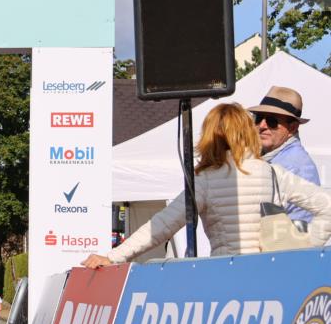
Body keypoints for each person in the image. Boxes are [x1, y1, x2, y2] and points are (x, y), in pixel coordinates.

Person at [82, 102, 331, 268]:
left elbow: (161, 226)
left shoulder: (205, 181)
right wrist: (306, 247)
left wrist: (113, 257)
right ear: (247, 132)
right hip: (270, 272)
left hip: (226, 275)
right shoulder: (273, 173)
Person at [249, 86, 320, 223]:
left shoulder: (294, 165)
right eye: (258, 118)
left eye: (272, 121)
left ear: (292, 128)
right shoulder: (274, 158)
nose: (262, 126)